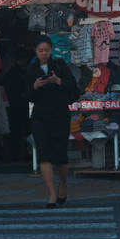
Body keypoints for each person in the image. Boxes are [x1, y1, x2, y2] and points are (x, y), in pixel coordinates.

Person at [26, 35, 78, 208]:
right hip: (40, 116)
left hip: (60, 115)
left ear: (51, 50)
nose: (44, 54)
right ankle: (52, 194)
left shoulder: (60, 65)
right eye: (40, 51)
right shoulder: (32, 69)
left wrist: (58, 81)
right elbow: (25, 95)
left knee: (60, 155)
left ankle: (63, 184)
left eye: (46, 50)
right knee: (44, 154)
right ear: (35, 51)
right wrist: (35, 87)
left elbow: (74, 90)